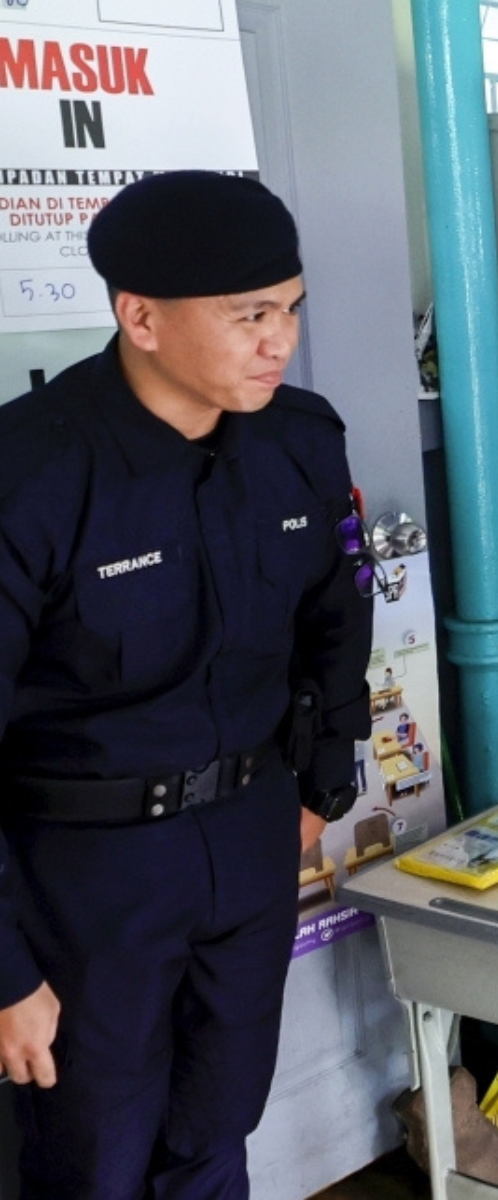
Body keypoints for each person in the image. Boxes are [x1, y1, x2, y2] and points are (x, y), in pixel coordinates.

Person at [0, 171, 373, 1198]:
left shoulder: (299, 442)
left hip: (246, 844)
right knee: (91, 1160)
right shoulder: (34, 474)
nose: (279, 340)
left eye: (291, 310)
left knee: (216, 1129)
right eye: (250, 315)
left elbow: (336, 617)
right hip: (85, 877)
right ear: (142, 317)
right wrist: (5, 976)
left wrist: (318, 784)